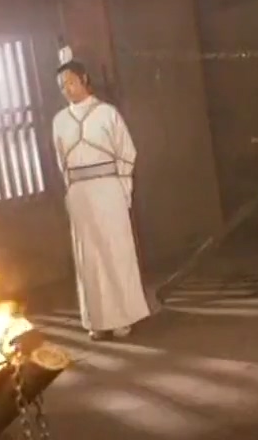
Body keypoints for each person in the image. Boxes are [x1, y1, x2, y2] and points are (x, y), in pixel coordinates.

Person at [52, 59, 151, 341]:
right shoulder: (59, 121)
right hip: (80, 193)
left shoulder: (107, 113)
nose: (67, 89)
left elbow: (127, 152)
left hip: (108, 189)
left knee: (115, 251)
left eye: (71, 82)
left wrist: (122, 187)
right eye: (62, 86)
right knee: (89, 257)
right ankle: (97, 320)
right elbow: (61, 161)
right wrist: (71, 191)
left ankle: (123, 318)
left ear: (84, 79)